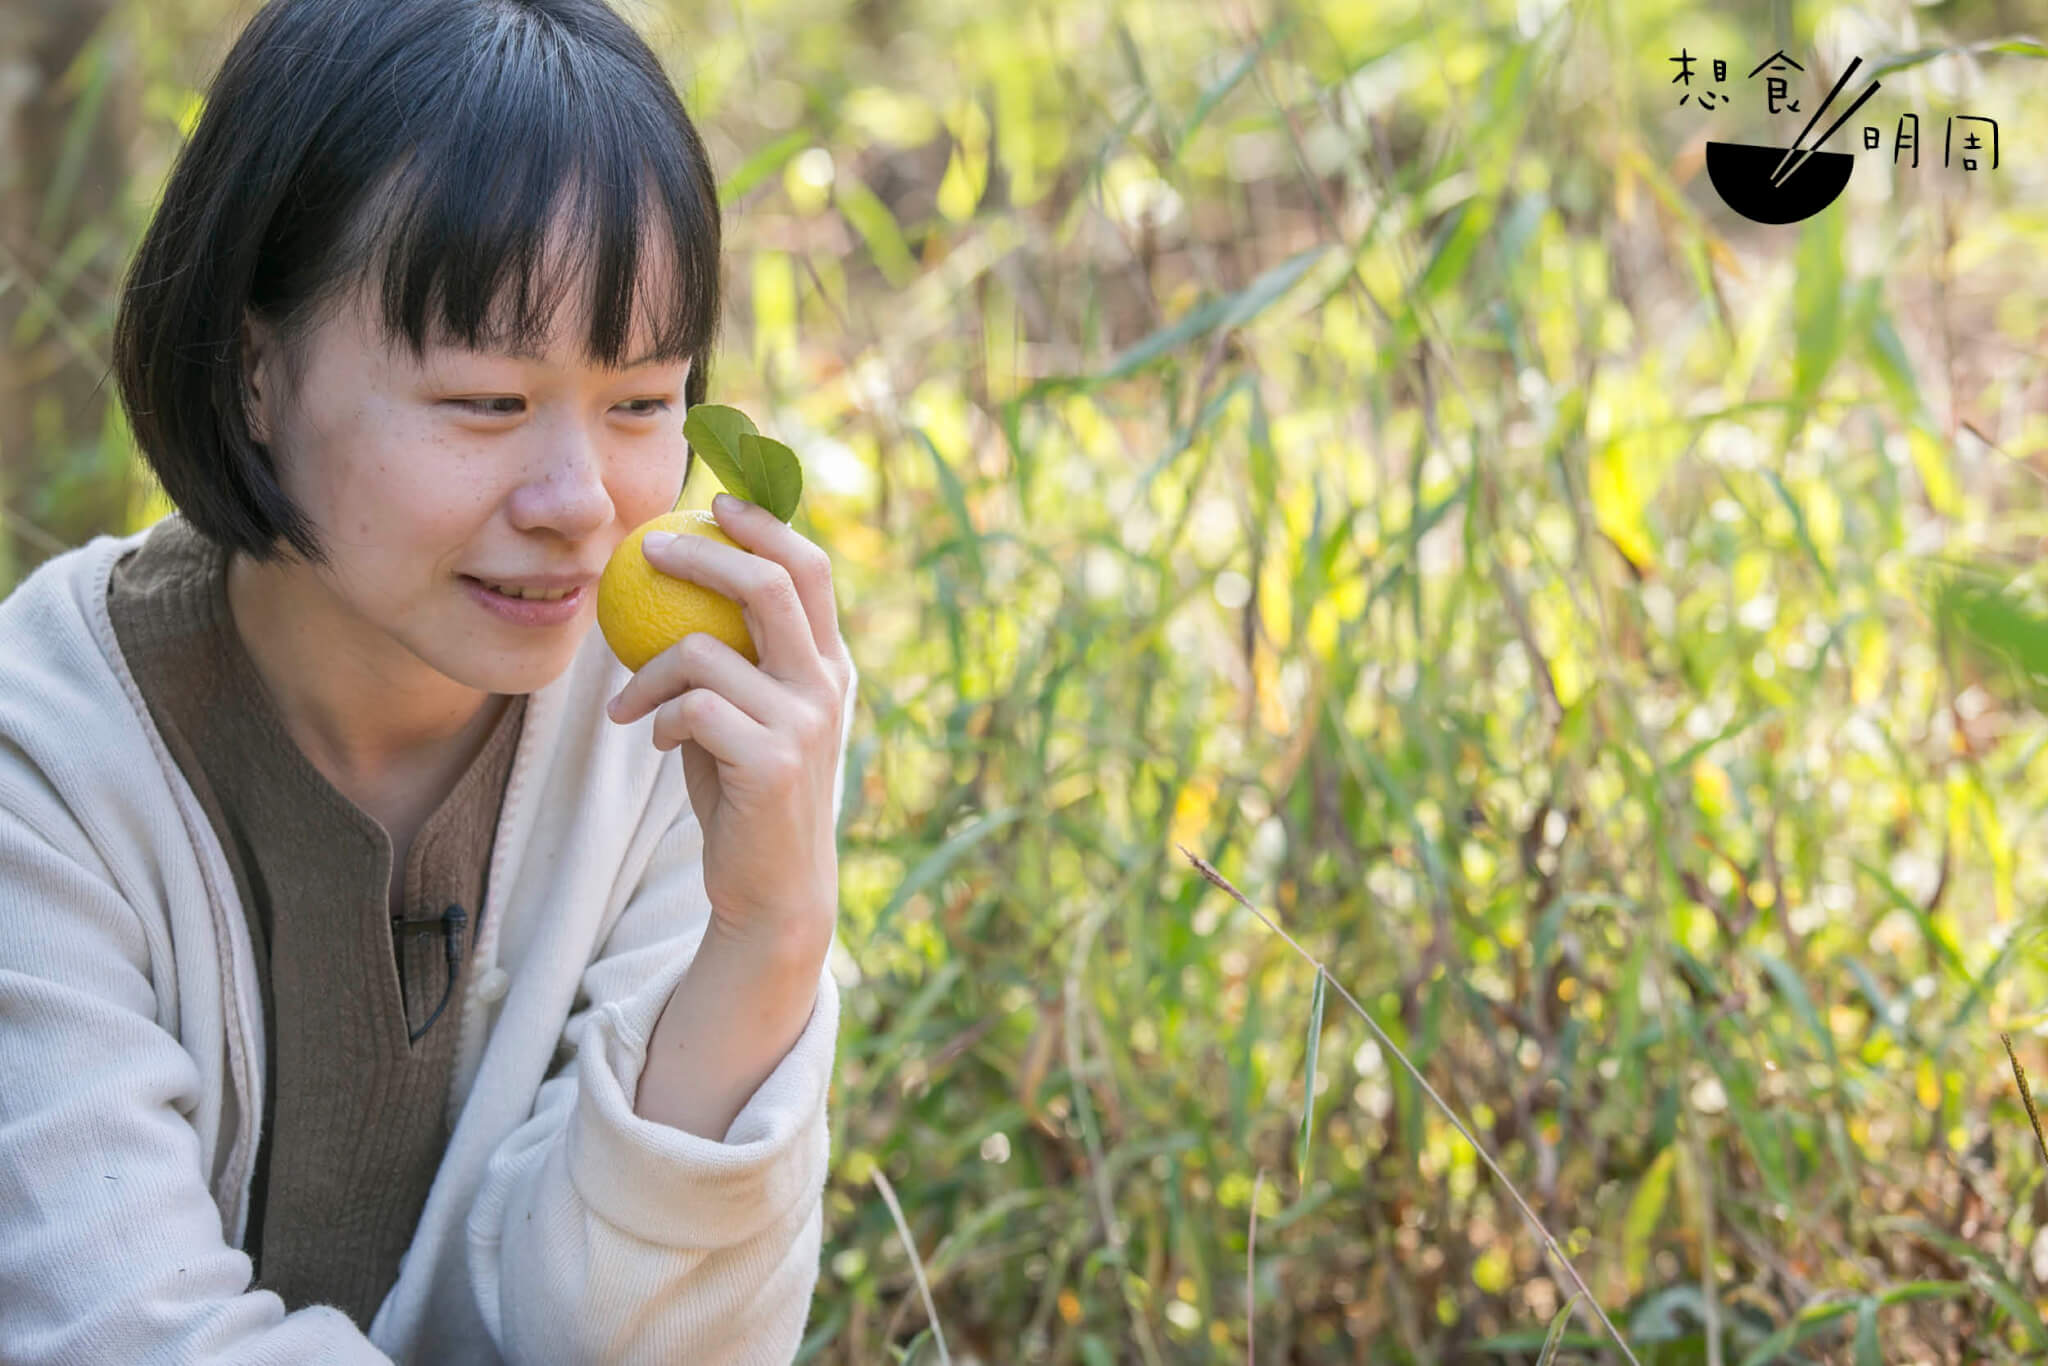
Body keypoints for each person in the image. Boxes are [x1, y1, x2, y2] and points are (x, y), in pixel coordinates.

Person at [0, 0, 859, 1360]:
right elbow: (118, 1329)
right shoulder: (45, 764)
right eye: (487, 403)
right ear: (255, 367)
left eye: (642, 402)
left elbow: (645, 1343)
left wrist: (769, 940)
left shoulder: (687, 730)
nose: (582, 504)